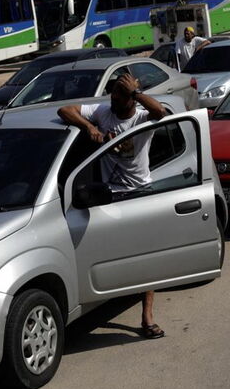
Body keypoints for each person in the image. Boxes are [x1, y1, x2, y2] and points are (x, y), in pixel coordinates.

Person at [57, 73, 168, 339]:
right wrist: (89, 127)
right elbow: (64, 110)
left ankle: (147, 316)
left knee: (145, 256)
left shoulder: (141, 118)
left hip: (139, 193)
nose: (114, 97)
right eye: (113, 91)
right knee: (110, 251)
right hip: (109, 194)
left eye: (120, 93)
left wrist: (136, 92)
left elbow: (160, 112)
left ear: (131, 98)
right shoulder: (103, 112)